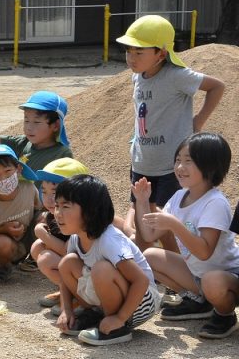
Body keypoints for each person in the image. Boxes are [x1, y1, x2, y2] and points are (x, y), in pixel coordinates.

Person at [115, 15, 225, 251]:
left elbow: (217, 86)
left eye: (139, 52)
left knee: (165, 226)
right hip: (142, 163)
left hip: (169, 166)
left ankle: (177, 267)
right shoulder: (137, 77)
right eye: (128, 51)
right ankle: (147, 270)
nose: (131, 58)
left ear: (161, 54)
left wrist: (199, 121)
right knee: (143, 223)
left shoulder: (177, 76)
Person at [133, 132, 239, 338]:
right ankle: (199, 302)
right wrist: (142, 201)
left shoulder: (215, 202)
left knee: (212, 281)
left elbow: (204, 252)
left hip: (227, 277)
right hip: (197, 274)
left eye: (188, 161)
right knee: (149, 257)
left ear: (210, 166)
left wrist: (175, 225)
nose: (180, 167)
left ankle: (225, 315)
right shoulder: (179, 196)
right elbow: (149, 234)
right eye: (178, 160)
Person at [55, 175, 161, 346]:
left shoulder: (109, 240)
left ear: (90, 211)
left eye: (65, 206)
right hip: (116, 297)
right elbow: (64, 278)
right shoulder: (76, 238)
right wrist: (66, 310)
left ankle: (117, 328)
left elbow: (141, 281)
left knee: (101, 269)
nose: (58, 214)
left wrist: (120, 318)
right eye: (57, 206)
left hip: (142, 301)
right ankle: (95, 315)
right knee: (67, 263)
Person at [0, 144, 43, 284]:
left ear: (18, 169)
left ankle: (35, 258)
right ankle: (4, 267)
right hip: (5, 249)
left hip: (29, 239)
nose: (3, 179)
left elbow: (39, 209)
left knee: (45, 218)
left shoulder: (29, 188)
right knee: (0, 242)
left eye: (8, 171)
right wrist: (3, 229)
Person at [31, 158, 90, 312]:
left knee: (46, 258)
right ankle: (69, 290)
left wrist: (42, 233)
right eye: (44, 191)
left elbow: (67, 251)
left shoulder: (81, 218)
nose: (48, 199)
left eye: (55, 192)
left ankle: (82, 297)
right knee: (38, 247)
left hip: (95, 275)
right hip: (78, 268)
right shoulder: (54, 214)